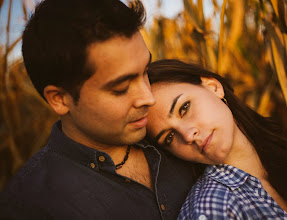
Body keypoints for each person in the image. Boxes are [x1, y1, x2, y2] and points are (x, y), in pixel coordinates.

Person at [0, 1, 198, 219]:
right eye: (121, 88)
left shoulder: (178, 132)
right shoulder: (30, 205)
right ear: (60, 99)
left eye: (145, 72)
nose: (148, 98)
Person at [145, 59, 287, 220]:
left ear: (213, 87)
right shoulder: (213, 210)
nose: (187, 135)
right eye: (169, 137)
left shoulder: (285, 151)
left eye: (183, 108)